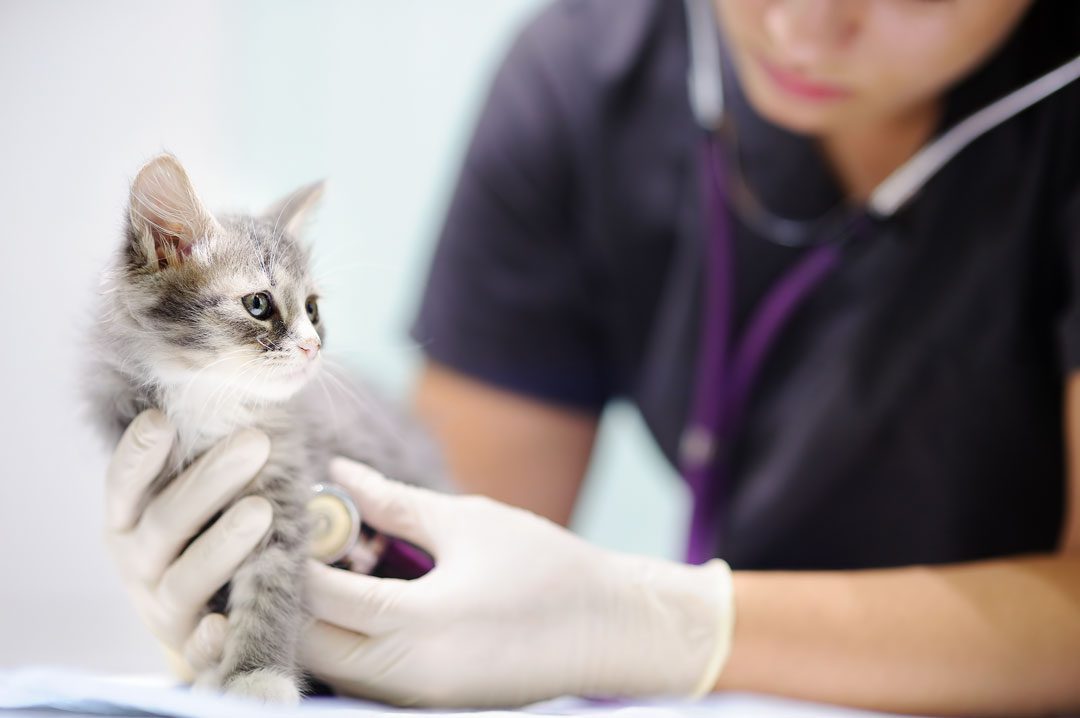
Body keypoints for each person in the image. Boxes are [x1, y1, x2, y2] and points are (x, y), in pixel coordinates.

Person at [103, 0, 1080, 713]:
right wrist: (300, 599)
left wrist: (652, 621)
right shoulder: (582, 77)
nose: (802, 28)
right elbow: (437, 552)